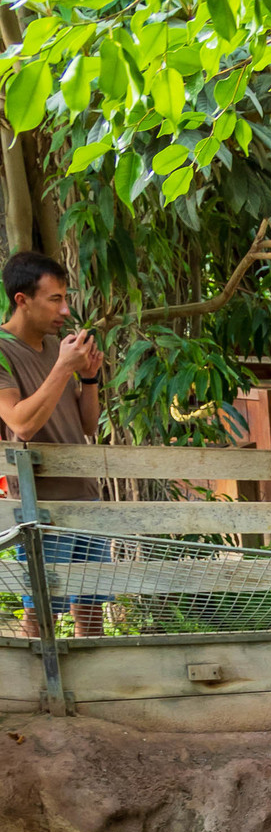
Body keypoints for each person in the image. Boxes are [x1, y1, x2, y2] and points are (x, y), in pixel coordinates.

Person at [0, 251, 108, 635]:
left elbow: (88, 425)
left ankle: (94, 694)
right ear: (22, 300)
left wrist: (90, 379)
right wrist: (64, 367)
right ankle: (39, 694)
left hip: (86, 495)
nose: (66, 310)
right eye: (55, 299)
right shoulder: (3, 350)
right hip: (39, 508)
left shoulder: (56, 350)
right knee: (43, 613)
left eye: (66, 298)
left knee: (92, 613)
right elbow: (22, 423)